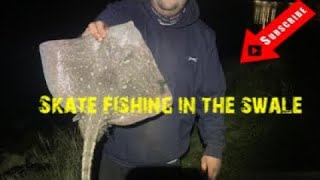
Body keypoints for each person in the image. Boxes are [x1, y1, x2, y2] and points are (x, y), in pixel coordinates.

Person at [82, 0, 226, 179]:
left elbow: (211, 97)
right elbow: (103, 26)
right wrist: (96, 31)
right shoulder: (122, 13)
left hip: (167, 163)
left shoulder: (203, 37)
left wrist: (214, 147)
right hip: (114, 158)